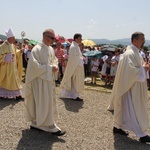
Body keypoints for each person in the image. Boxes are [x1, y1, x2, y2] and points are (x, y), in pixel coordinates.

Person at [107, 32, 150, 143]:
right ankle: (142, 134)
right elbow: (130, 72)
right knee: (135, 110)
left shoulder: (136, 52)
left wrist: (143, 67)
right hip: (130, 88)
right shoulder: (129, 54)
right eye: (142, 39)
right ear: (135, 40)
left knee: (126, 110)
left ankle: (117, 127)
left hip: (132, 87)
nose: (143, 41)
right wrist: (143, 68)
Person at [24, 29, 65, 136]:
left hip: (48, 81)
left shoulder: (51, 49)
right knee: (43, 102)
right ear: (45, 36)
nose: (53, 40)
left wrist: (55, 66)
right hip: (39, 81)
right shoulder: (36, 50)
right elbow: (34, 67)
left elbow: (54, 59)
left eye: (54, 38)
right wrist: (49, 68)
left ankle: (37, 122)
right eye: (52, 38)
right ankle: (49, 125)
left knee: (47, 102)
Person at [0, 28, 23, 100]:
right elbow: (0, 56)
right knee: (6, 81)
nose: (14, 39)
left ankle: (17, 95)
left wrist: (19, 52)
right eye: (13, 38)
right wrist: (7, 56)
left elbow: (15, 53)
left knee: (15, 81)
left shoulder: (13, 45)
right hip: (6, 68)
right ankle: (2, 95)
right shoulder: (3, 46)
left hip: (13, 67)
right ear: (9, 38)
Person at [60, 33, 84, 101]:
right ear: (76, 39)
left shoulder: (76, 46)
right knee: (74, 81)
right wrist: (81, 59)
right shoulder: (73, 46)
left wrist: (81, 57)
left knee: (73, 80)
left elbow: (77, 56)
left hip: (76, 66)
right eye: (80, 38)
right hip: (74, 67)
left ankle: (72, 94)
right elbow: (73, 58)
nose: (81, 40)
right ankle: (74, 95)